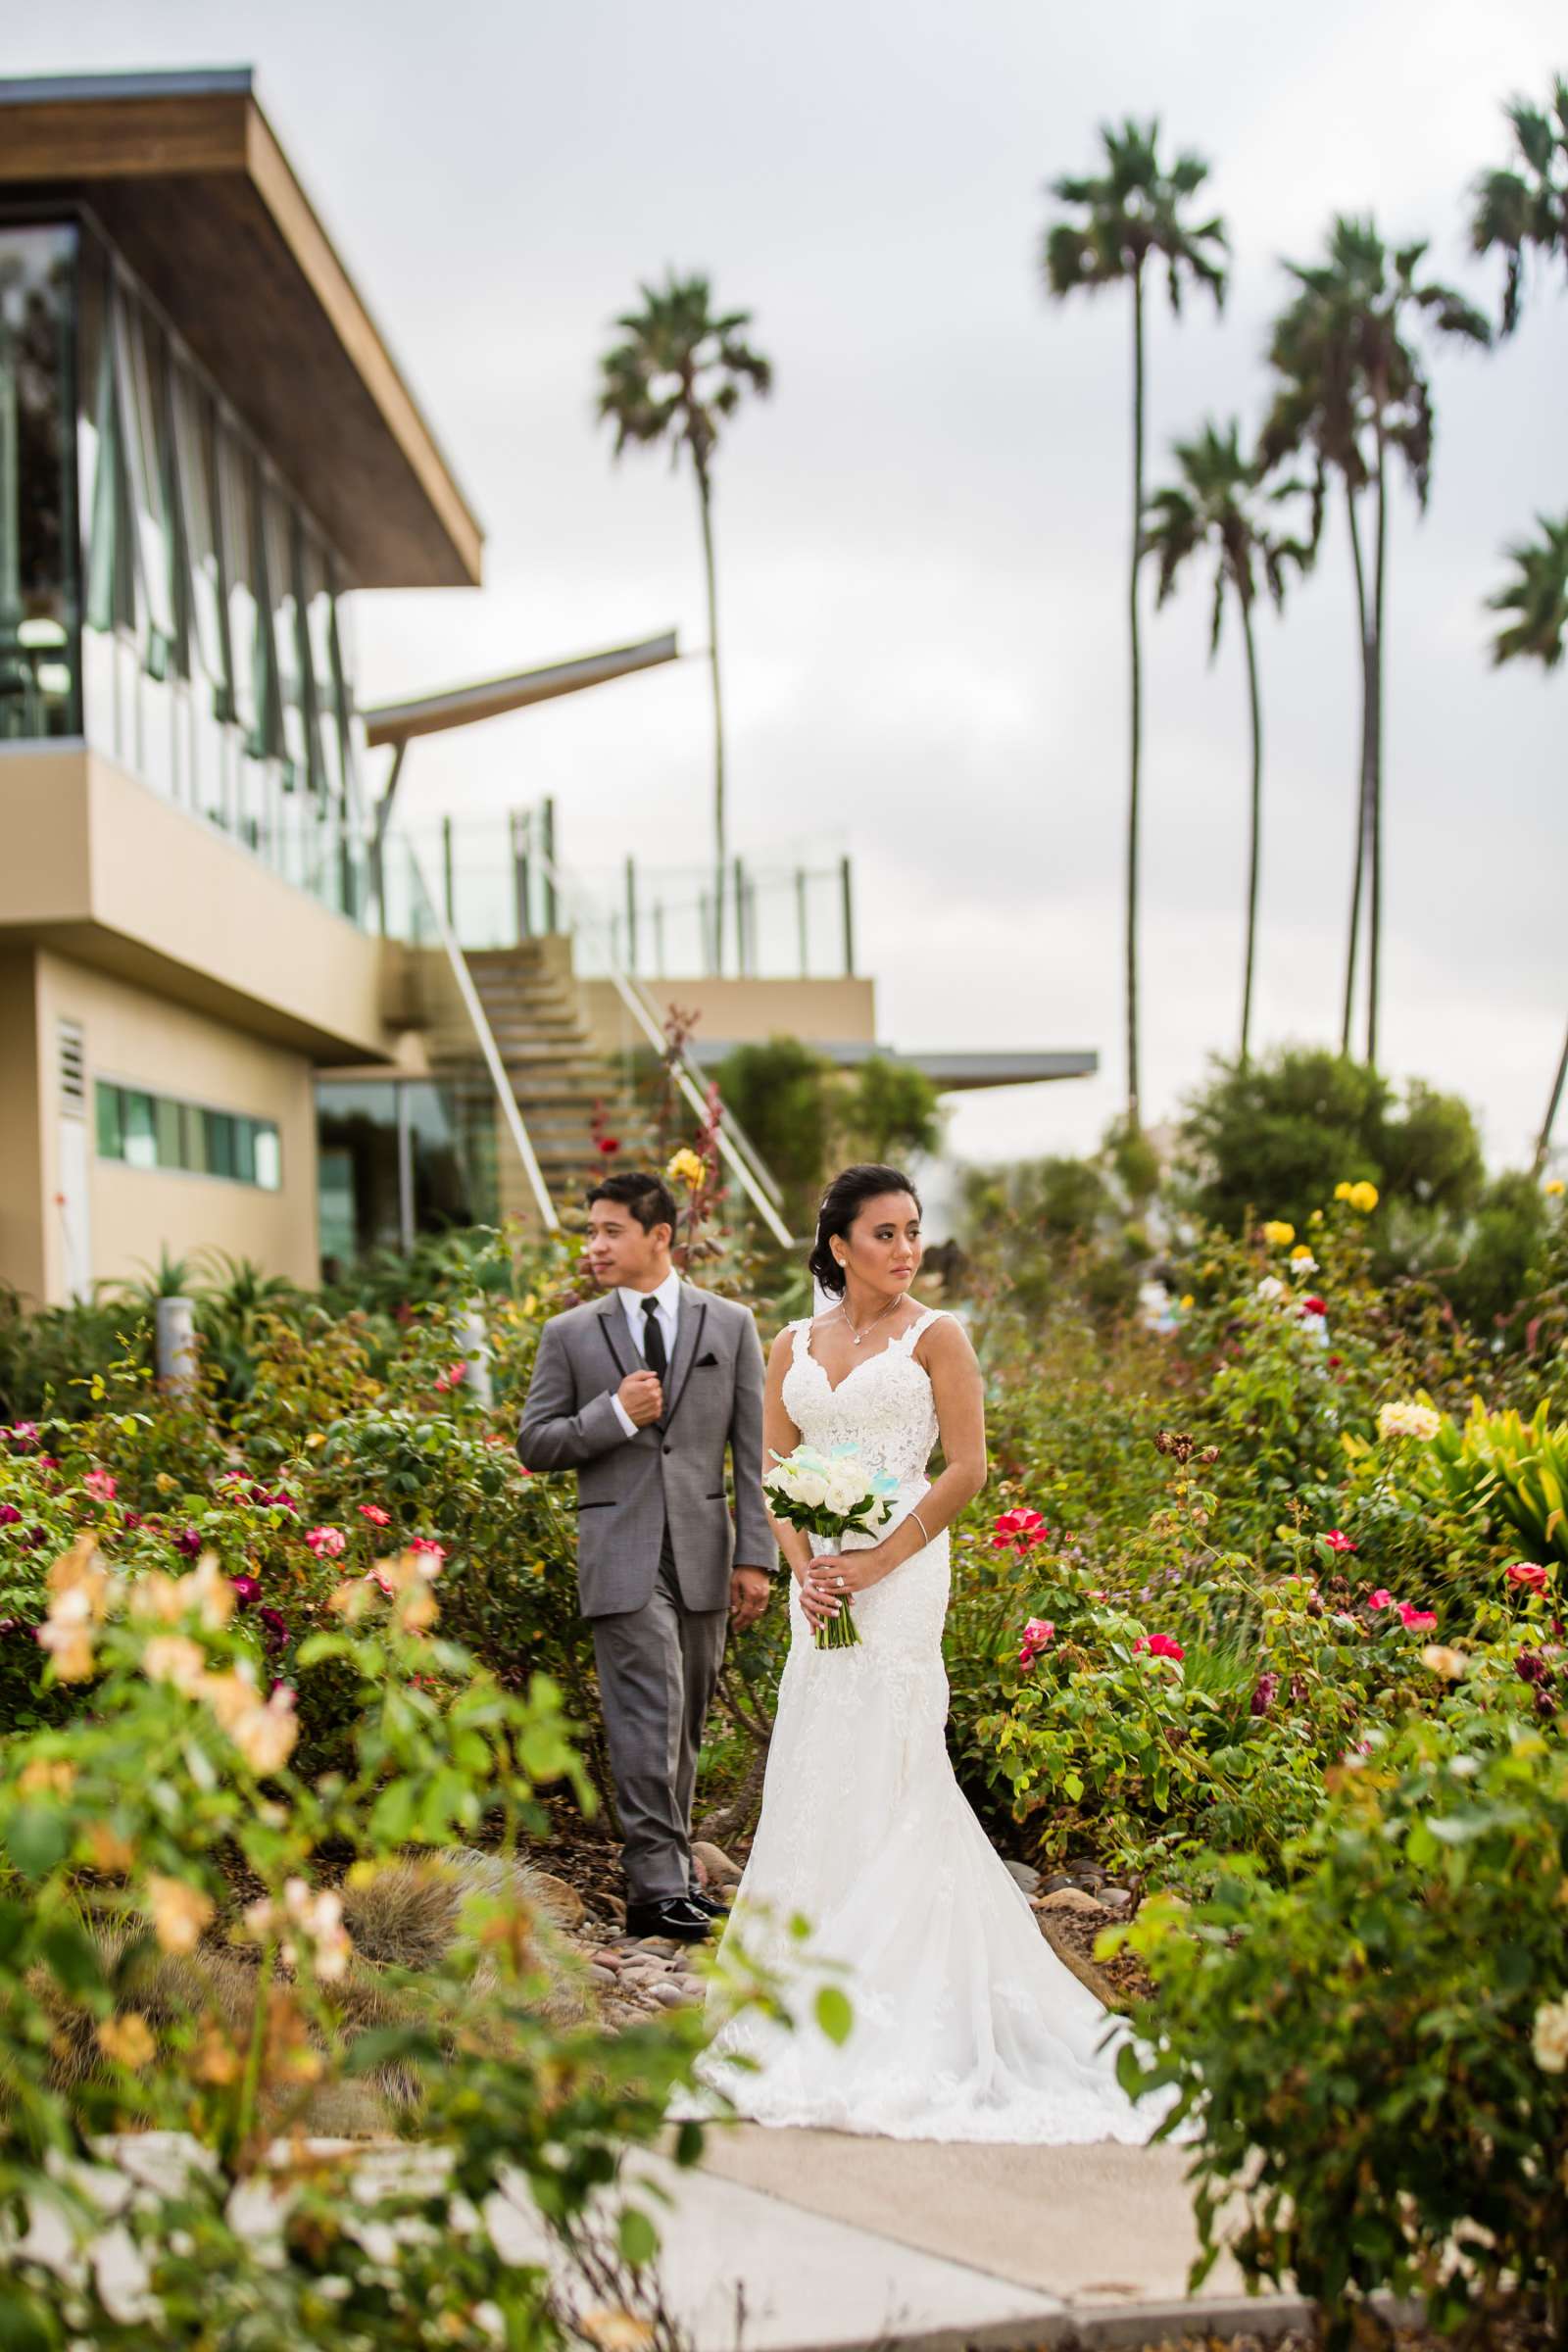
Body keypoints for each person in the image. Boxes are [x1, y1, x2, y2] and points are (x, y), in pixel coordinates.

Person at [680, 1162, 1170, 2142]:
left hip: (902, 1571)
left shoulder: (938, 1336)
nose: (906, 1250)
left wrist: (876, 1559)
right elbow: (773, 1470)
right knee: (818, 1754)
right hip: (821, 1579)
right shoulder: (791, 1345)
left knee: (898, 1753)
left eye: (913, 1232)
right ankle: (802, 1982)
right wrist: (805, 1567)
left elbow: (968, 1467)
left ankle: (904, 1989)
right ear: (836, 1246)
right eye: (885, 1234)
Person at [516, 1172, 775, 1942]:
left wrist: (754, 1556)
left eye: (610, 1231)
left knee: (686, 1717)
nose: (594, 1246)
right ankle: (654, 1884)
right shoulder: (569, 1334)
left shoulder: (730, 1325)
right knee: (647, 1711)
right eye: (589, 1232)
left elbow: (751, 1454)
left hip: (703, 1552)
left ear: (660, 1236)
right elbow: (537, 1443)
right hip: (620, 1553)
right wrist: (612, 1416)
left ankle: (673, 1876)